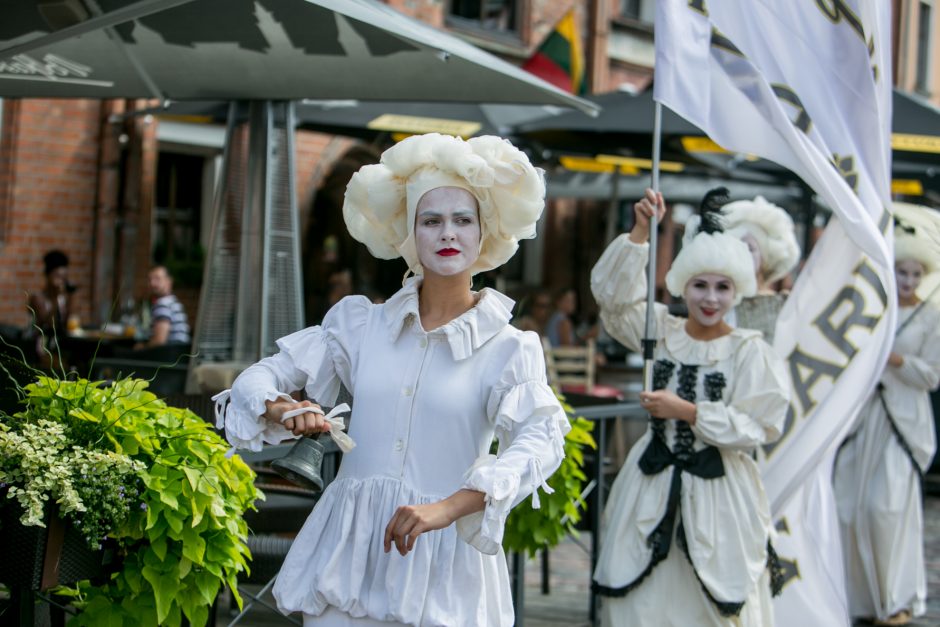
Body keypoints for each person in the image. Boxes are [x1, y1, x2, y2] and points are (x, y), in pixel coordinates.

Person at [214, 133, 569, 626]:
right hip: (349, 554)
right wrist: (280, 406)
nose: (448, 233)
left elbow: (542, 441)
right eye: (432, 220)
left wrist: (450, 507)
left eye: (463, 220)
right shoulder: (361, 326)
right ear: (410, 234)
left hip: (443, 566)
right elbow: (261, 376)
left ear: (483, 233)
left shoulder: (509, 348)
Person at [591, 188, 789, 626]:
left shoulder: (748, 351)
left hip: (720, 491)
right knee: (643, 600)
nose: (710, 299)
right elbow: (614, 303)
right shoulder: (660, 330)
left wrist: (689, 412)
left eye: (722, 287)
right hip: (650, 483)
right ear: (684, 284)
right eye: (700, 285)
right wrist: (641, 233)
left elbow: (759, 426)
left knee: (712, 600)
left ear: (736, 292)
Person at [832, 220, 940, 626]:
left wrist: (892, 359)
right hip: (864, 418)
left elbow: (931, 376)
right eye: (902, 271)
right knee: (847, 506)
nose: (908, 280)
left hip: (903, 423)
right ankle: (855, 599)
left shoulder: (931, 319)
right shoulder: (874, 309)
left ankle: (896, 599)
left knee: (884, 508)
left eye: (915, 274)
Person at [719, 195, 800, 343]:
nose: (742, 253)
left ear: (764, 258)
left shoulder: (782, 307)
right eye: (735, 245)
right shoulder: (711, 303)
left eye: (750, 248)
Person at [27, 249, 75, 368]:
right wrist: (55, 298)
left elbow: (66, 323)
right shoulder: (37, 298)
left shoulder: (64, 298)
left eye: (64, 277)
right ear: (48, 275)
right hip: (42, 346)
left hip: (61, 344)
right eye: (57, 276)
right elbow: (47, 323)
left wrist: (69, 298)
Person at [141, 265, 190, 348]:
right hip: (179, 355)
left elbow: (159, 341)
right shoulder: (175, 302)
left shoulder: (163, 305)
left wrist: (142, 348)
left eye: (157, 279)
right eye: (150, 279)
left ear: (168, 281)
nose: (152, 283)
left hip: (166, 357)